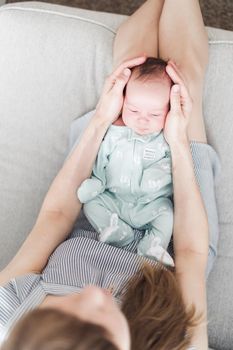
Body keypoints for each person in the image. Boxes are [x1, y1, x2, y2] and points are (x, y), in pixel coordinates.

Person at [0, 0, 221, 349]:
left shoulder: (8, 312)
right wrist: (178, 143)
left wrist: (103, 117)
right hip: (171, 242)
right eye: (111, 313)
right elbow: (191, 252)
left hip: (95, 213)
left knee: (132, 75)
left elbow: (55, 217)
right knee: (183, 83)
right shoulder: (178, 342)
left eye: (71, 305)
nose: (97, 292)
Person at [77, 57, 174, 267]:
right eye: (133, 110)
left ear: (169, 110)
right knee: (91, 204)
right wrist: (98, 181)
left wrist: (154, 177)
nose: (142, 120)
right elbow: (101, 158)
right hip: (114, 200)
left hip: (149, 204)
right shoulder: (114, 134)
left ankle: (153, 244)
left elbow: (169, 167)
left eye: (155, 114)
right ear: (123, 104)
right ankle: (119, 233)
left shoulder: (165, 140)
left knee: (167, 212)